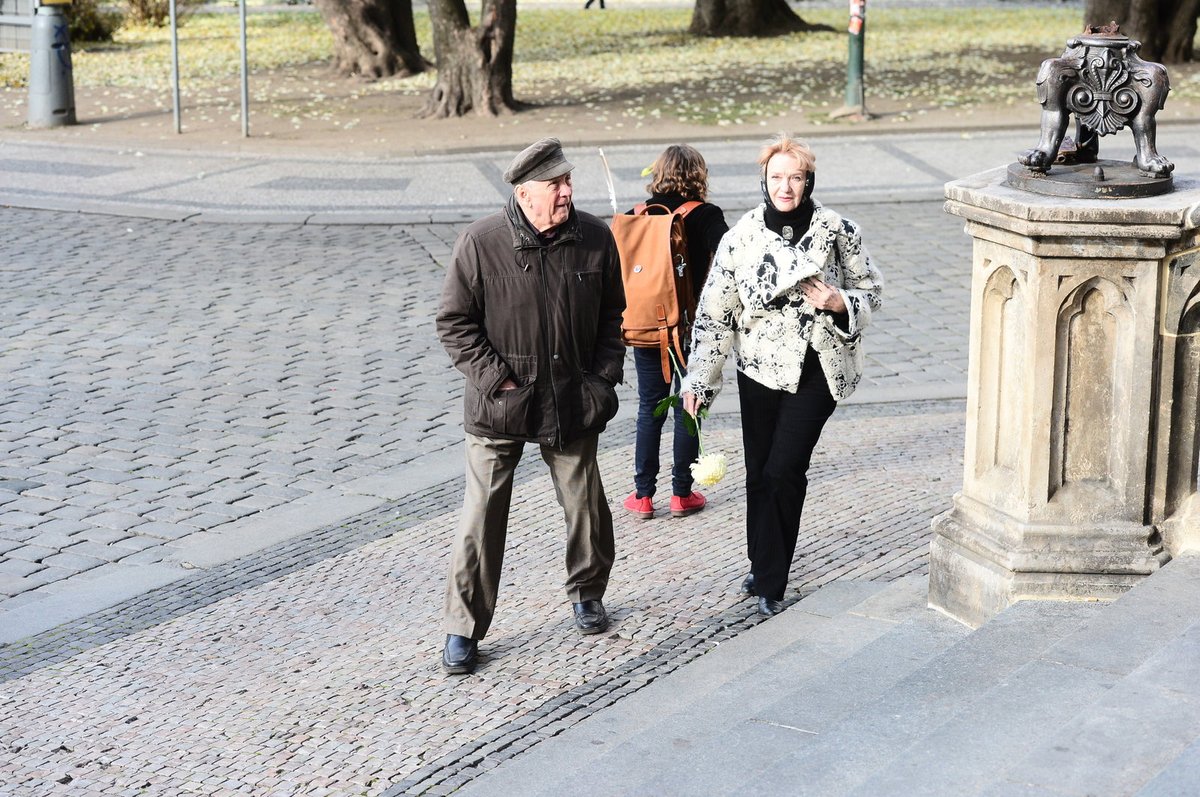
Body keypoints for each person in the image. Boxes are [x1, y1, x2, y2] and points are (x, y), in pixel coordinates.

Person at [435, 137, 627, 674]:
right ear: (525, 193)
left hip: (572, 399)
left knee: (585, 502)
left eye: (568, 181)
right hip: (499, 406)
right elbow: (454, 324)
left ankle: (588, 592)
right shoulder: (481, 242)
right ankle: (462, 627)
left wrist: (601, 381)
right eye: (555, 184)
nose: (566, 191)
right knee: (480, 515)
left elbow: (615, 316)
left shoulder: (595, 237)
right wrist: (499, 382)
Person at [680, 134, 883, 617]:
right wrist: (700, 382)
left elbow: (871, 290)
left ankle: (772, 579)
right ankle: (761, 562)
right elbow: (715, 315)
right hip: (759, 369)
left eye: (795, 177)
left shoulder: (838, 231)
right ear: (764, 180)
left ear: (808, 180)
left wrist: (840, 303)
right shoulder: (741, 237)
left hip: (818, 368)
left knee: (783, 469)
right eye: (777, 177)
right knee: (758, 474)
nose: (786, 187)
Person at [621, 144, 728, 521]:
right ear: (699, 174)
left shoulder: (636, 214)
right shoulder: (706, 215)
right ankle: (682, 493)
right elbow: (730, 256)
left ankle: (643, 496)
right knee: (689, 404)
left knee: (649, 405)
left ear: (659, 173)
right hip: (691, 327)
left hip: (646, 324)